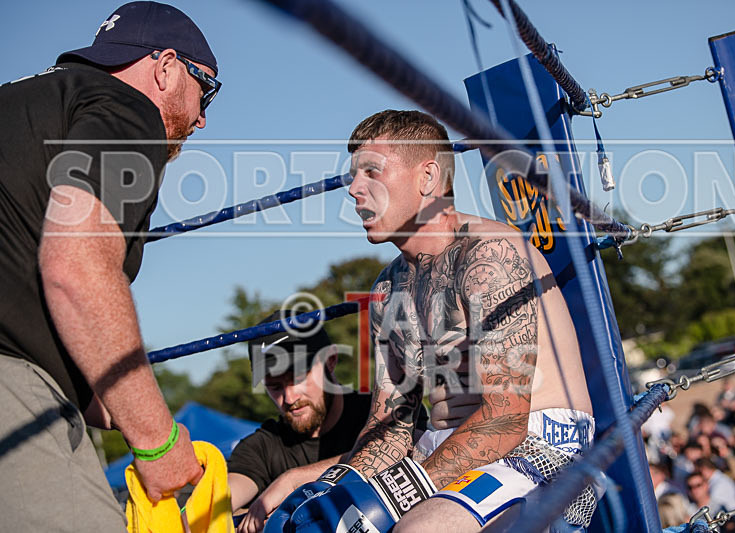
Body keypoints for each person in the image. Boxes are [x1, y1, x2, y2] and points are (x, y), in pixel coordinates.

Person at [0, 2, 220, 530]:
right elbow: (77, 269)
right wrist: (157, 440)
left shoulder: (23, 104)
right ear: (166, 67)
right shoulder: (128, 111)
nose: (203, 117)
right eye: (206, 91)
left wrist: (124, 409)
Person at [335, 109, 595, 531]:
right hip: (443, 449)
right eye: (353, 175)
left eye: (371, 172)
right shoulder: (387, 290)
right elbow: (391, 424)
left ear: (427, 177)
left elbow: (506, 416)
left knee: (418, 530)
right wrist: (339, 485)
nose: (354, 189)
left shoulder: (489, 253)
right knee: (323, 521)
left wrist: (400, 490)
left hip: (541, 445)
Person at [228, 309, 430, 533]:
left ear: (330, 361)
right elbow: (219, 501)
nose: (289, 398)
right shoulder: (261, 447)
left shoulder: (383, 412)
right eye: (275, 387)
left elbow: (411, 458)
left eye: (297, 378)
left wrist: (293, 481)